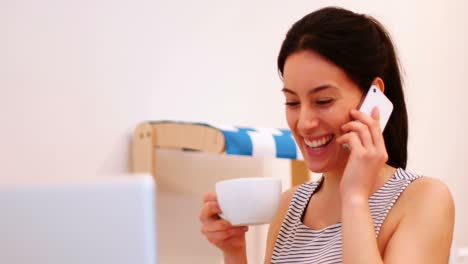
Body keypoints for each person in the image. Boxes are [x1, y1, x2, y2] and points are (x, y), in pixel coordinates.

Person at [199, 6, 455, 264]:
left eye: (323, 100)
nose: (305, 123)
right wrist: (233, 252)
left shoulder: (423, 199)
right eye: (292, 103)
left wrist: (355, 197)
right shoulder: (289, 207)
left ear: (372, 99)